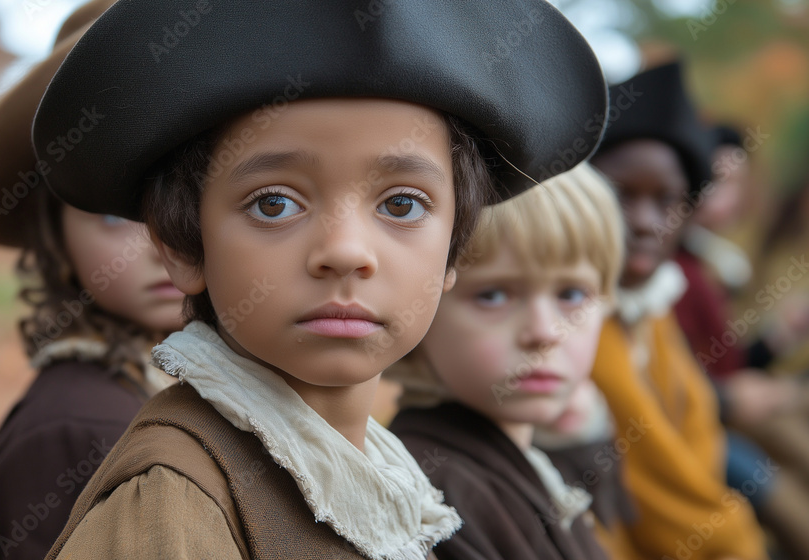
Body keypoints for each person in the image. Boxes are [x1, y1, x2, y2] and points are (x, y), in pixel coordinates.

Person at [32, 1, 609, 558]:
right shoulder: (172, 507)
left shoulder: (387, 484)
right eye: (274, 205)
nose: (345, 252)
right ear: (183, 246)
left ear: (454, 251)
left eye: (403, 205)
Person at [0, 2, 184, 559]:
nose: (161, 248)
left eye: (185, 205)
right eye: (117, 217)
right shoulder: (85, 430)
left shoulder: (171, 391)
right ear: (55, 240)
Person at [387, 163, 623, 560]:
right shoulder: (437, 498)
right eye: (494, 295)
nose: (545, 332)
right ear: (419, 307)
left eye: (571, 294)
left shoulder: (529, 464)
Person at [589, 60, 768, 560]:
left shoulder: (652, 310)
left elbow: (699, 436)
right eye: (620, 194)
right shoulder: (581, 323)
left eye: (666, 201)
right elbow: (669, 501)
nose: (645, 222)